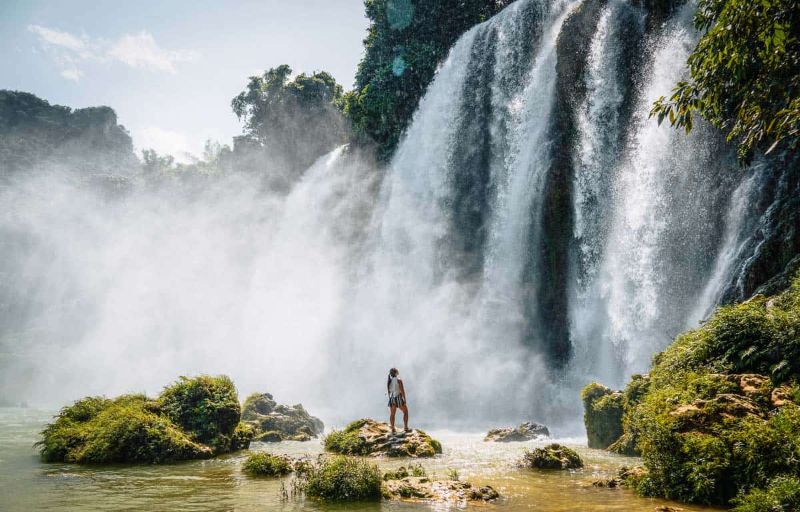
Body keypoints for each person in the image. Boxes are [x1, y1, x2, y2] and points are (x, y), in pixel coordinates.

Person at [387, 367, 409, 433]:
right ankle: (405, 427)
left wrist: (390, 400)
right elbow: (402, 391)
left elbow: (389, 392)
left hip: (392, 398)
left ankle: (393, 428)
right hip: (398, 397)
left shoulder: (389, 381)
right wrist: (404, 399)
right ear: (396, 373)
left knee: (392, 414)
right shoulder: (399, 380)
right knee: (406, 412)